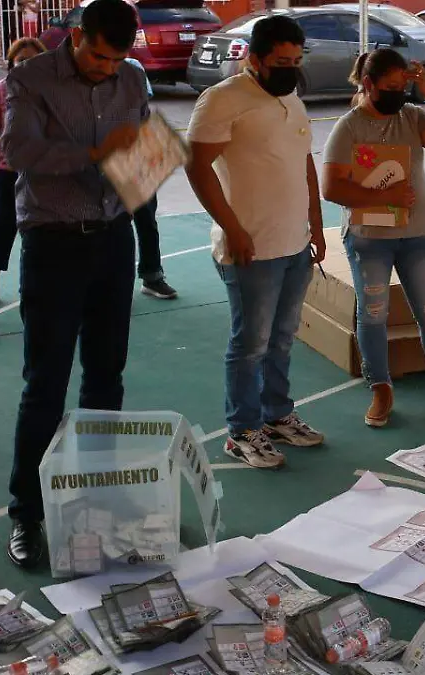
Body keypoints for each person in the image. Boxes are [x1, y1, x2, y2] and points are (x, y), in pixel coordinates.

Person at [1, 0, 147, 568]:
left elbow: (142, 136)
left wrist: (144, 165)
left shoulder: (131, 77)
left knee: (106, 374)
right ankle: (28, 511)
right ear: (78, 37)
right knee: (46, 380)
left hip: (114, 236)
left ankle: (96, 494)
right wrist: (93, 152)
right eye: (101, 58)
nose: (109, 70)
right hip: (54, 242)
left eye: (119, 61)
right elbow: (17, 151)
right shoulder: (29, 77)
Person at [186, 15, 327, 470]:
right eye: (280, 61)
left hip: (294, 243)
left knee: (282, 339)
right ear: (254, 57)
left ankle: (277, 415)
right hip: (250, 248)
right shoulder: (222, 100)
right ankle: (242, 430)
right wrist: (233, 228)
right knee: (250, 344)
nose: (290, 68)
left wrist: (317, 225)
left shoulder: (292, 97)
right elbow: (197, 168)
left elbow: (304, 163)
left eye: (296, 60)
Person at [322, 48, 425, 428]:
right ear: (368, 84)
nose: (397, 93)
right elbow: (331, 187)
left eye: (402, 86)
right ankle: (380, 387)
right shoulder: (349, 126)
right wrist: (384, 197)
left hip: (417, 233)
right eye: (389, 87)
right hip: (369, 237)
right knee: (373, 315)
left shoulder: (413, 115)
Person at [124, 56, 178, 300]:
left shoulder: (133, 67)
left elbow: (143, 111)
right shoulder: (88, 69)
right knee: (112, 227)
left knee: (146, 219)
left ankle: (152, 275)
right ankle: (113, 282)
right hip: (102, 159)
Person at [0, 37, 44, 304]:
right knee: (1, 230)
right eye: (22, 60)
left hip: (44, 176)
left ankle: (36, 288)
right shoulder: (1, 91)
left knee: (40, 235)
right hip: (9, 174)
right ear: (12, 63)